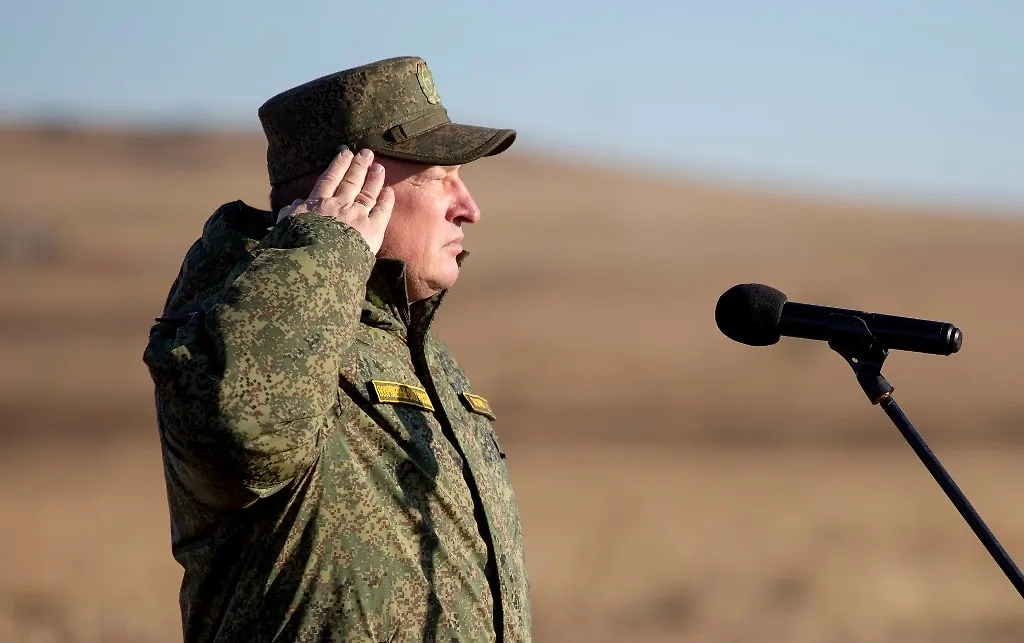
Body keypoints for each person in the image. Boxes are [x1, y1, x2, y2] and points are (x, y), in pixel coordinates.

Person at [142, 56, 531, 642]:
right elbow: (245, 434)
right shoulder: (232, 325)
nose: (468, 208)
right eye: (437, 175)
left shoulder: (412, 347)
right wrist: (323, 246)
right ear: (350, 181)